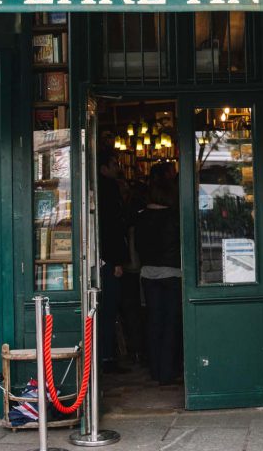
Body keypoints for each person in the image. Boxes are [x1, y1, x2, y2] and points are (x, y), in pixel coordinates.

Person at [132, 176, 182, 385]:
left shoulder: (140, 217)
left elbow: (136, 246)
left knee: (153, 321)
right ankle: (168, 371)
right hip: (172, 273)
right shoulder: (175, 217)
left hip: (148, 274)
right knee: (171, 322)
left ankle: (154, 369)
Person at [97, 148, 131, 373]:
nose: (118, 167)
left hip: (99, 257)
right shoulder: (109, 189)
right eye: (114, 163)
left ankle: (102, 355)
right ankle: (107, 356)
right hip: (108, 258)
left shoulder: (99, 187)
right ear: (104, 168)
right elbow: (113, 227)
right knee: (109, 307)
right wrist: (117, 260)